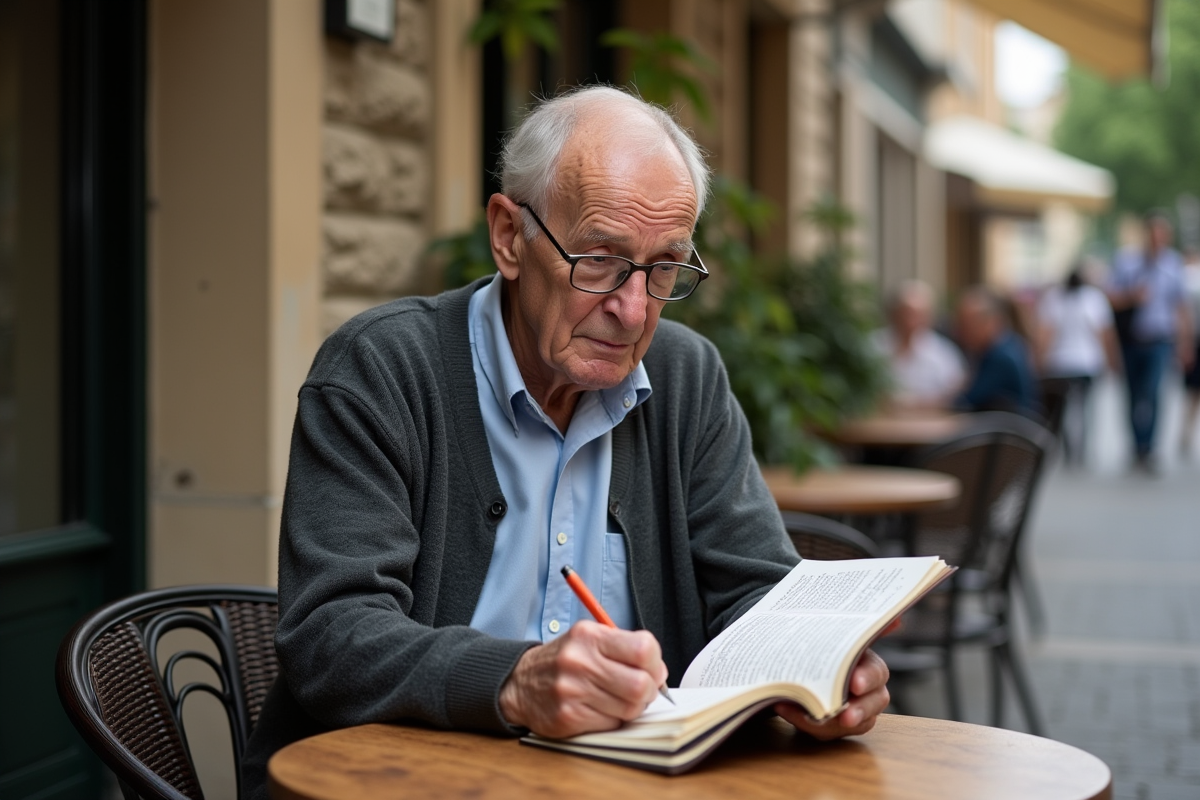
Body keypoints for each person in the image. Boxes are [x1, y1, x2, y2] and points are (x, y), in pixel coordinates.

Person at [241, 87, 890, 799]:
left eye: (665, 266)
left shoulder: (686, 377)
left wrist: (817, 668)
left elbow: (756, 591)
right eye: (601, 260)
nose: (633, 309)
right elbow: (330, 639)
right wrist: (515, 681)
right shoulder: (383, 369)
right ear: (509, 237)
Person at [1107, 213, 1195, 472]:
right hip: (1131, 339)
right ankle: (1136, 446)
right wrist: (1132, 296)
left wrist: (1185, 342)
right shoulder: (1126, 261)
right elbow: (1111, 298)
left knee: (1154, 393)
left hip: (1160, 340)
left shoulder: (1173, 264)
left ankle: (1149, 448)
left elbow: (1181, 307)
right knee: (1132, 395)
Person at [1035, 265, 1120, 466]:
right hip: (1086, 363)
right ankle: (1081, 449)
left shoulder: (1054, 298)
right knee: (1085, 409)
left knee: (1063, 410)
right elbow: (1104, 334)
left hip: (1060, 364)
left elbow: (1046, 333)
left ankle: (1070, 449)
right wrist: (1112, 360)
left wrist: (1039, 360)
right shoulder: (1094, 298)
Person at [870, 280, 966, 409]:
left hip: (930, 425)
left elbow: (956, 392)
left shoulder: (944, 352)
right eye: (906, 313)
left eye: (919, 314)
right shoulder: (872, 346)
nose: (911, 321)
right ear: (893, 314)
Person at [953, 286, 1038, 417]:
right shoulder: (1008, 343)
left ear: (991, 322)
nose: (960, 332)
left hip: (1011, 433)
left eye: (967, 325)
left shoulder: (1000, 357)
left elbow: (966, 402)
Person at [1181, 247, 1200, 458]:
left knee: (1193, 394)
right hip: (1195, 342)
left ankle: (1186, 434)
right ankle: (1186, 434)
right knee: (1194, 393)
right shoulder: (1192, 281)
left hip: (1194, 342)